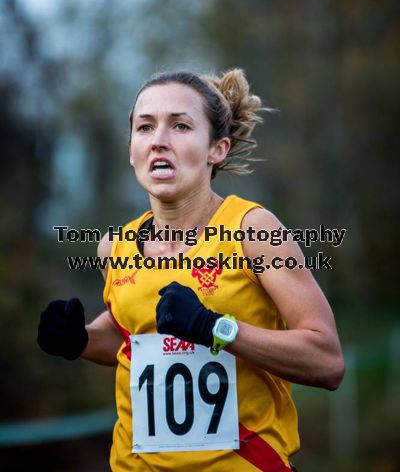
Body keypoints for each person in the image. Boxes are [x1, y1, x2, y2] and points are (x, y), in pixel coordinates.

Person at [37, 69, 344, 471]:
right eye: (145, 127)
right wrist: (78, 339)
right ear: (132, 150)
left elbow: (327, 361)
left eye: (180, 126)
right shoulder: (115, 246)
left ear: (217, 149)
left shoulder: (252, 230)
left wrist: (215, 328)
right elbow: (135, 336)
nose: (159, 140)